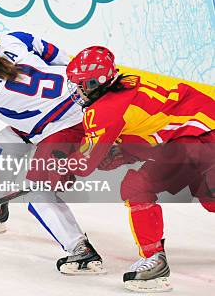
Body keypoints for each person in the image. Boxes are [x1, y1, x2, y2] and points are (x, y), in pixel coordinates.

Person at [0, 22, 105, 274]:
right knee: (7, 140)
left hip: (67, 127)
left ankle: (81, 252)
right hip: (77, 105)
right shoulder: (12, 40)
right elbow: (53, 54)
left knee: (38, 192)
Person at [65, 45, 215, 292]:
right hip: (201, 130)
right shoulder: (125, 82)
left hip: (195, 140)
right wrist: (122, 154)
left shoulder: (103, 111)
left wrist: (58, 167)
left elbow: (84, 164)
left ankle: (154, 260)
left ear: (95, 83)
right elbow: (155, 130)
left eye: (81, 84)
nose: (78, 90)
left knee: (136, 186)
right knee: (211, 199)